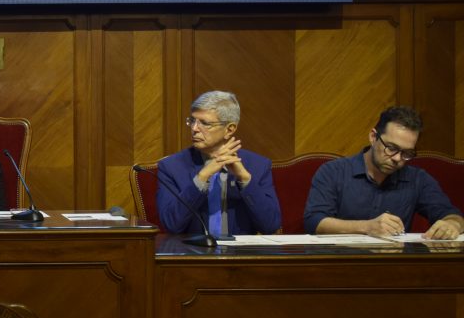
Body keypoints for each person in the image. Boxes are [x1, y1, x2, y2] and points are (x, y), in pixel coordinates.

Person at [304, 106, 463, 239]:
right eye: (392, 148)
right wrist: (367, 227)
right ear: (373, 137)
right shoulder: (334, 171)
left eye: (407, 153)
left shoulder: (418, 179)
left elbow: (451, 214)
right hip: (340, 262)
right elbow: (314, 221)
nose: (397, 158)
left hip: (395, 266)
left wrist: (452, 224)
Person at [156, 91, 280, 236]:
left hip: (241, 255)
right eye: (192, 120)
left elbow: (271, 226)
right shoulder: (172, 167)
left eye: (204, 123)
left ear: (229, 129)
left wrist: (245, 179)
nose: (194, 129)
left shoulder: (257, 165)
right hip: (192, 254)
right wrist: (202, 177)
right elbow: (171, 225)